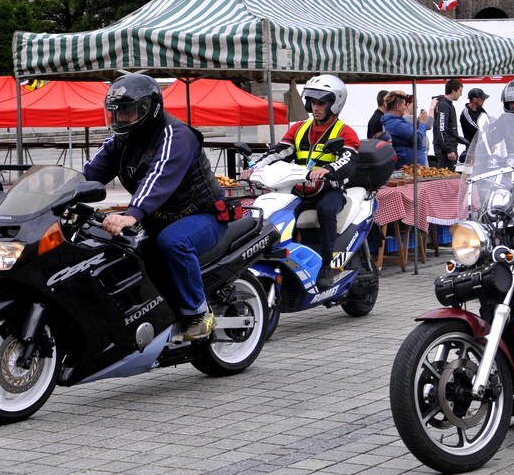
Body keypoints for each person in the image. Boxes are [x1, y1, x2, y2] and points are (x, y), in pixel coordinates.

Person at [83, 73, 227, 342]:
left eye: (128, 112)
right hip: (158, 217)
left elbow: (159, 178)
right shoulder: (120, 141)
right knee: (115, 247)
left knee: (173, 242)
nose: (120, 119)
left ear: (150, 108)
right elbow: (89, 174)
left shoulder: (177, 135)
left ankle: (198, 312)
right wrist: (58, 197)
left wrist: (131, 214)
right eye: (116, 113)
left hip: (203, 215)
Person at [241, 74, 359, 290]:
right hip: (299, 190)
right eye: (313, 102)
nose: (316, 107)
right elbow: (279, 152)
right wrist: (254, 168)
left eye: (321, 103)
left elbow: (348, 159)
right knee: (276, 214)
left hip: (329, 190)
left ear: (335, 103)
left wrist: (328, 170)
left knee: (325, 211)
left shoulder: (345, 132)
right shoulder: (299, 129)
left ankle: (325, 265)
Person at [381, 91, 430, 167]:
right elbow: (417, 138)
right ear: (398, 106)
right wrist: (422, 123)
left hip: (412, 167)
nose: (405, 107)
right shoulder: (396, 125)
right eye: (404, 104)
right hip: (409, 168)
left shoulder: (397, 122)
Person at [432, 78, 463, 170]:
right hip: (445, 151)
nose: (461, 94)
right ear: (453, 90)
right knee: (446, 179)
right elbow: (441, 129)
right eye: (460, 91)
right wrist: (449, 150)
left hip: (448, 147)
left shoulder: (448, 104)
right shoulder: (444, 105)